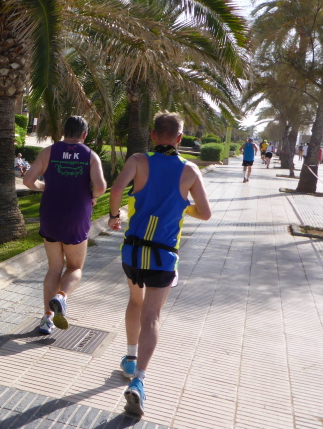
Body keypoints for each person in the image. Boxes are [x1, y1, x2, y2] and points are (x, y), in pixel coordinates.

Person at [108, 112, 211, 417]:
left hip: (133, 252)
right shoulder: (190, 170)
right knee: (151, 316)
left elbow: (116, 190)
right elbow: (205, 213)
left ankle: (130, 358)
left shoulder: (138, 160)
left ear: (153, 135)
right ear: (180, 138)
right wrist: (183, 205)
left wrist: (113, 217)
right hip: (164, 256)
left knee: (135, 301)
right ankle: (139, 380)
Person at [24, 116, 107, 335]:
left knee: (54, 267)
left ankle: (47, 319)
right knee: (75, 267)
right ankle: (61, 297)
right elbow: (100, 187)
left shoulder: (48, 152)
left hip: (50, 214)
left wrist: (44, 187)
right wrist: (91, 195)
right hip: (76, 216)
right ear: (84, 134)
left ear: (64, 131)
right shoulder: (90, 155)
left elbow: (28, 181)